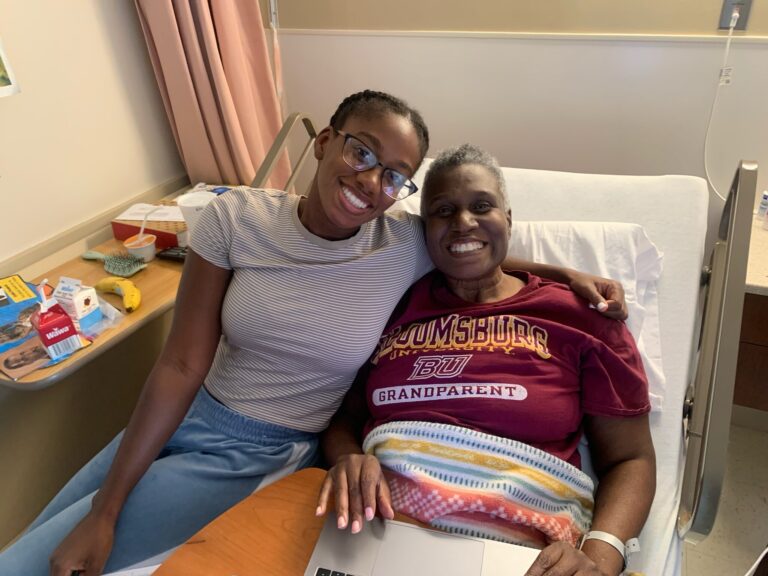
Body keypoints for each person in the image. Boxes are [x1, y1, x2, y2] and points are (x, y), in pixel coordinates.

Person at [0, 91, 627, 576]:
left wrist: (562, 273)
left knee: (36, 562)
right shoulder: (233, 220)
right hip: (189, 412)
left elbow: (472, 245)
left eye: (394, 176)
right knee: (45, 531)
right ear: (325, 141)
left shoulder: (401, 242)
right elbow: (180, 367)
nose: (371, 183)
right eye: (362, 153)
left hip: (261, 453)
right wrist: (108, 506)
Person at [316, 144, 656, 576]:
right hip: (380, 533)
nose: (463, 224)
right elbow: (346, 416)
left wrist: (600, 557)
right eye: (442, 211)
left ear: (508, 220)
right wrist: (347, 457)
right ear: (424, 229)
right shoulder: (393, 303)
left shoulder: (581, 317)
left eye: (481, 206)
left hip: (521, 554)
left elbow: (631, 459)